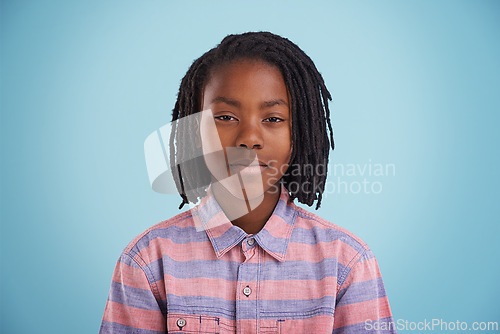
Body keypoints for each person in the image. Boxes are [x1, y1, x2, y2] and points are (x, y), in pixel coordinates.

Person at [99, 31, 396, 333]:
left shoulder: (347, 264)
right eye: (226, 117)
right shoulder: (147, 262)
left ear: (301, 133)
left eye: (273, 119)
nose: (249, 139)